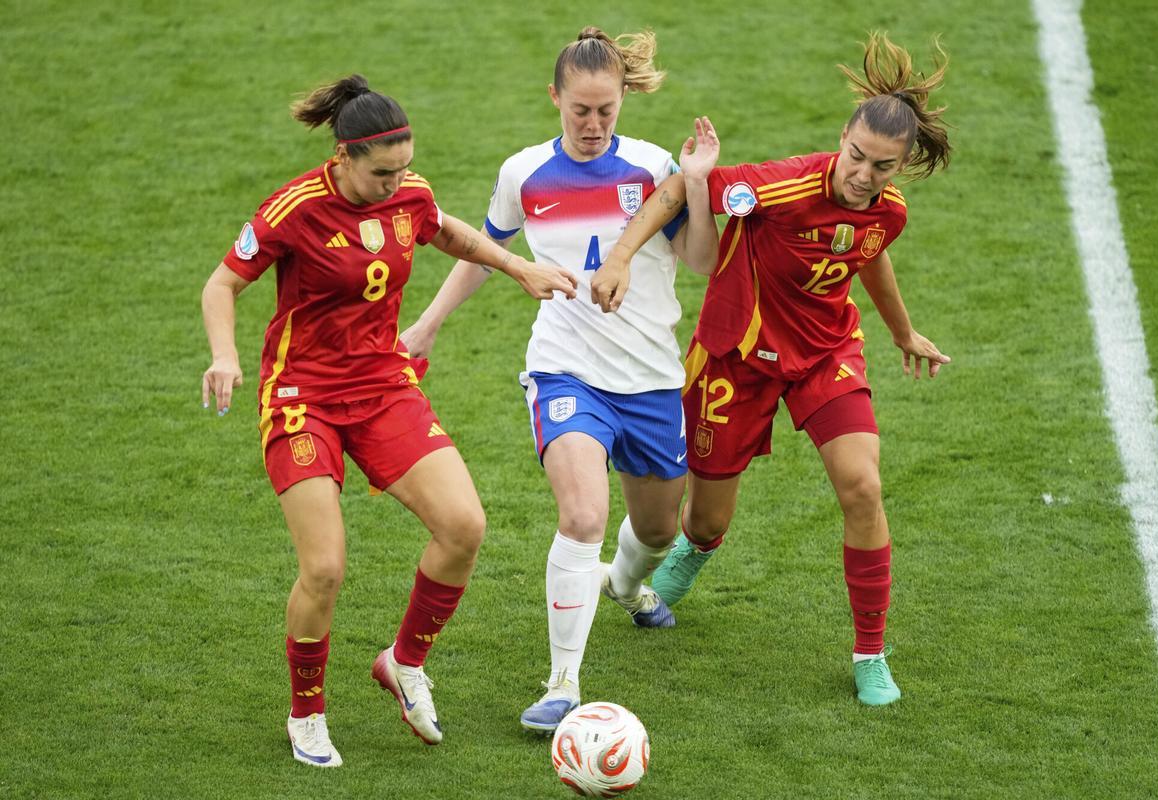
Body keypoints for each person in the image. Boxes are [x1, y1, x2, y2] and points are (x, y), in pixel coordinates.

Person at [200, 75, 577, 767]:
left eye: (404, 168)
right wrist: (225, 356)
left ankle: (404, 664)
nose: (396, 182)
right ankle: (307, 714)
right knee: (325, 567)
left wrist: (518, 266)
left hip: (381, 386)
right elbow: (222, 283)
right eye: (382, 173)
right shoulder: (294, 209)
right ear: (342, 158)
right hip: (302, 398)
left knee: (464, 527)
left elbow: (447, 231)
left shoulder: (409, 191)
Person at [593, 33, 952, 706]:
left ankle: (870, 651)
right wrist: (619, 257)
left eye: (881, 166)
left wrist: (903, 331)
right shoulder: (782, 185)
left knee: (863, 489)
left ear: (899, 165)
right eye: (856, 157)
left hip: (824, 355)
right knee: (703, 523)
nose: (863, 176)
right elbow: (676, 190)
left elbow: (867, 247)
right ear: (841, 139)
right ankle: (689, 558)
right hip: (736, 361)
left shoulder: (887, 209)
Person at [399, 27, 719, 732]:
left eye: (607, 110)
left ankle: (627, 586)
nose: (594, 124)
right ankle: (562, 683)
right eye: (581, 110)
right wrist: (427, 325)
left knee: (661, 527)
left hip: (651, 378)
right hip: (564, 368)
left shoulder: (651, 166)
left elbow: (700, 260)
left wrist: (694, 183)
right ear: (555, 98)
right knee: (581, 516)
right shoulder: (524, 174)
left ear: (624, 101)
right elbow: (484, 253)